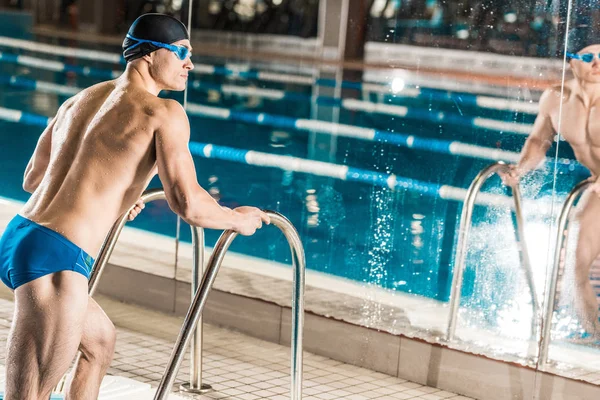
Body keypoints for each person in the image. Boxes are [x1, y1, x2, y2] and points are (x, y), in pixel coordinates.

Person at [0, 13, 270, 400]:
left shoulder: (81, 99)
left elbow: (32, 178)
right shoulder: (164, 113)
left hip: (21, 236)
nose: (189, 64)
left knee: (100, 343)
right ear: (148, 55)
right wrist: (238, 220)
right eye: (181, 52)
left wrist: (111, 195)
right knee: (29, 396)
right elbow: (188, 203)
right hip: (58, 257)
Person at [501, 28, 600, 340]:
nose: (597, 62)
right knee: (576, 265)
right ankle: (597, 338)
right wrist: (519, 169)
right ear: (572, 62)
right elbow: (538, 141)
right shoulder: (556, 99)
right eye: (588, 57)